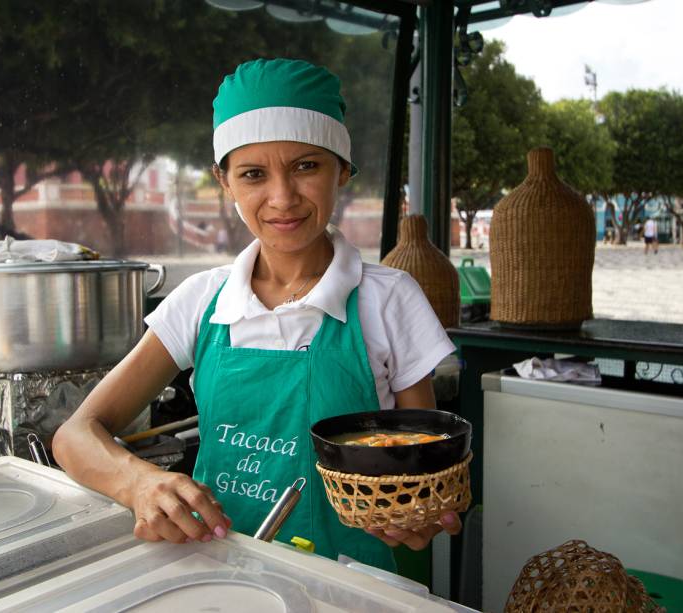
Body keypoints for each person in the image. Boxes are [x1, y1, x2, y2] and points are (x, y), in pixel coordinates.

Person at [52, 58, 459, 573]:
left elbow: (417, 470)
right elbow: (74, 435)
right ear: (225, 182)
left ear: (344, 170)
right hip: (220, 572)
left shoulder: (389, 298)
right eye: (253, 174)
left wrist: (418, 513)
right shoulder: (202, 301)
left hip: (356, 583)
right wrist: (139, 483)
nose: (282, 198)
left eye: (307, 166)